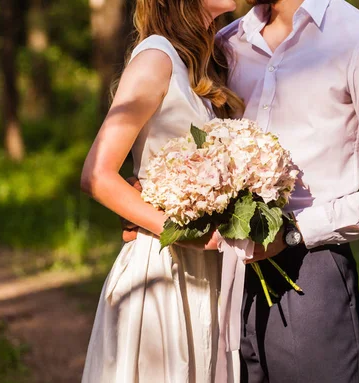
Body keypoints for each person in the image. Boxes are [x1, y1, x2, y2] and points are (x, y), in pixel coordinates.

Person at [123, 0, 359, 381]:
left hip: (310, 273)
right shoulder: (224, 45)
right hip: (220, 276)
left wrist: (294, 233)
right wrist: (156, 202)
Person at [79, 0, 245, 382]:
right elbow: (97, 174)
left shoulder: (206, 61)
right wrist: (183, 231)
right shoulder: (156, 58)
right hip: (164, 269)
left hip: (212, 273)